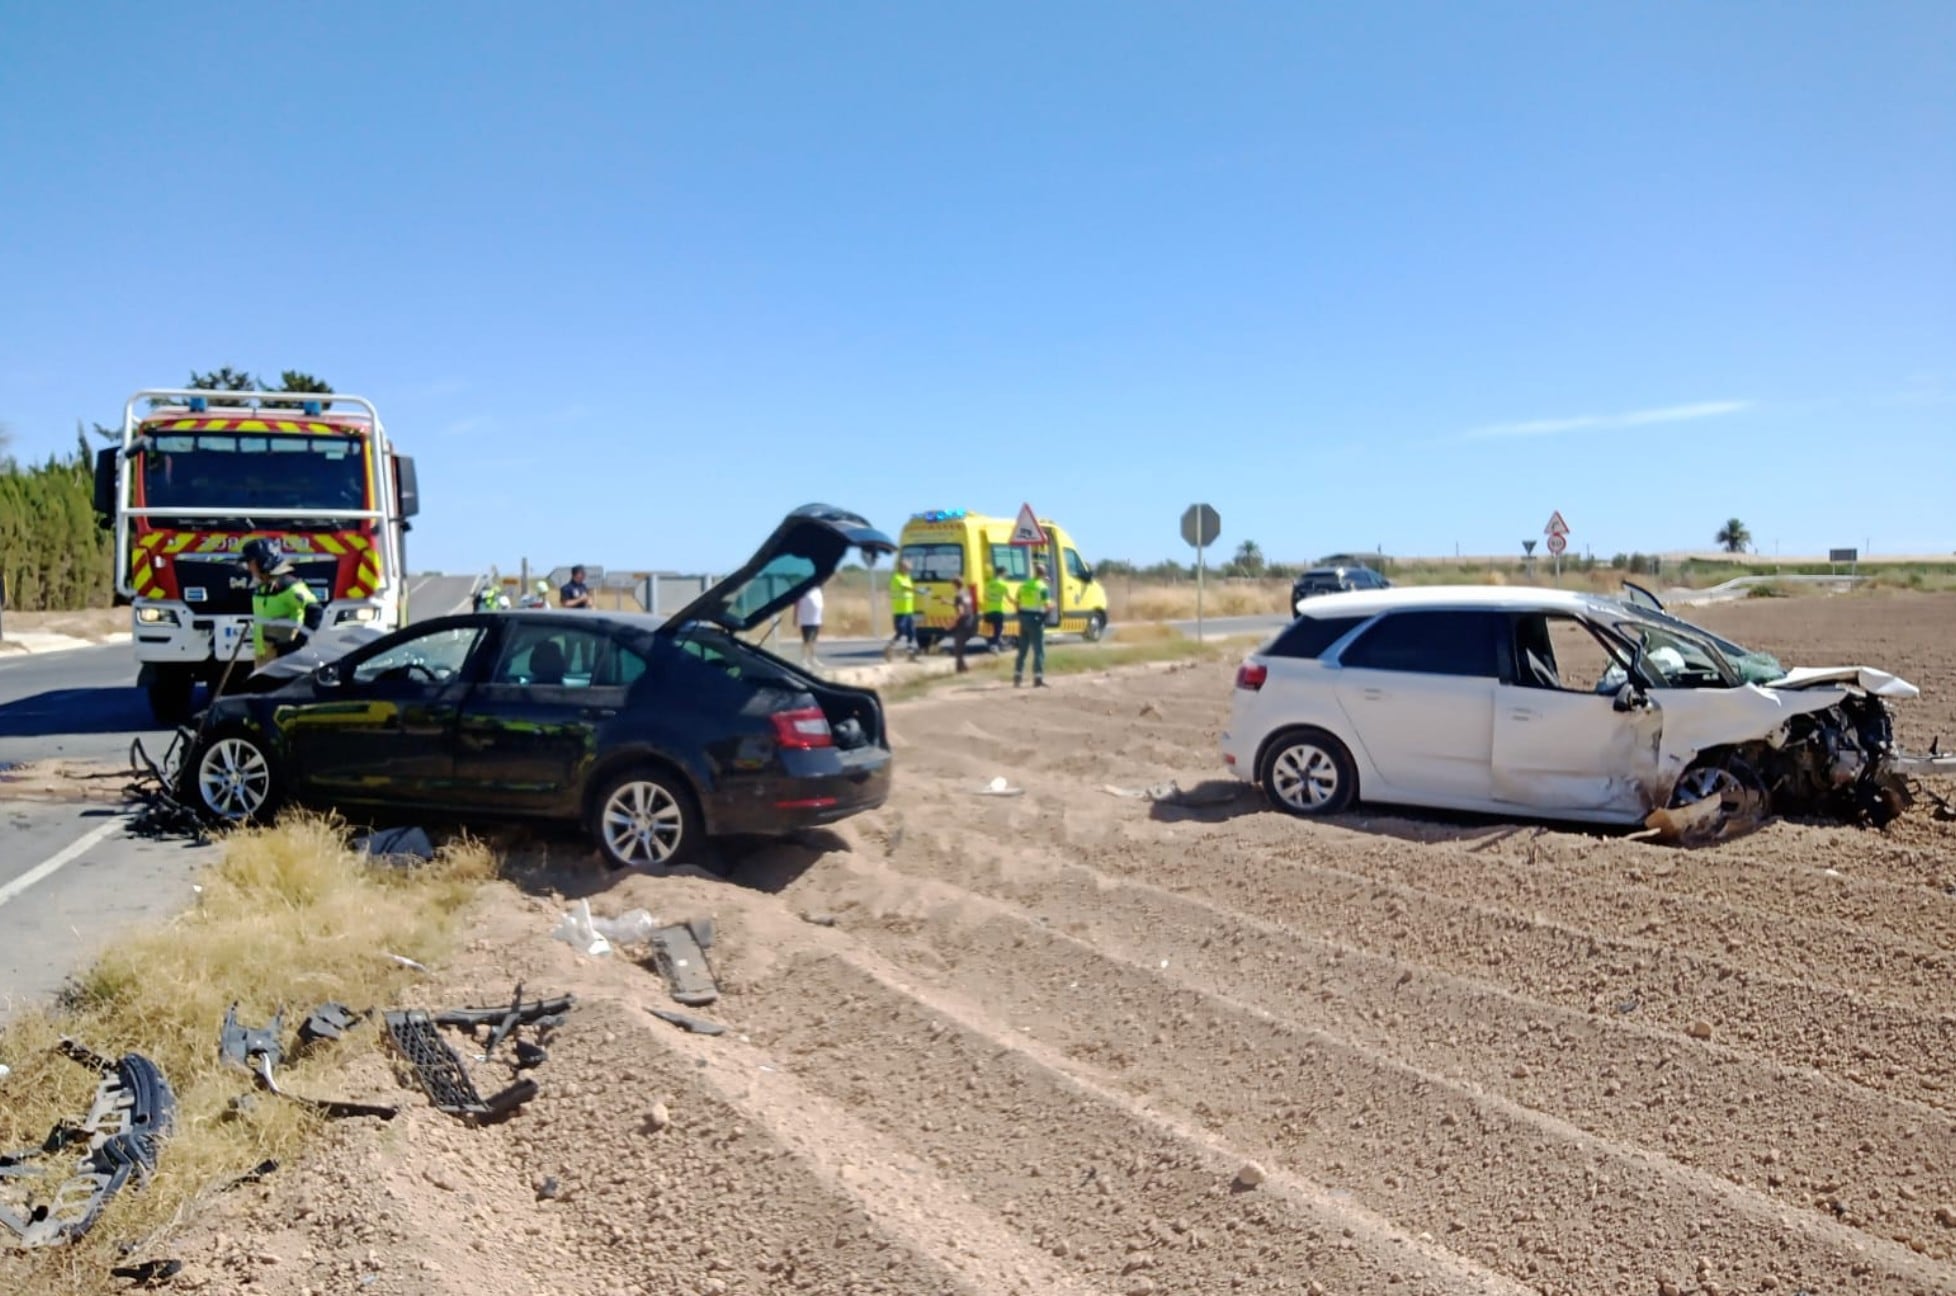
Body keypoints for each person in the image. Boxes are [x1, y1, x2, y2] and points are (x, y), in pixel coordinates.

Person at [240, 537, 322, 669]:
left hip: (284, 659)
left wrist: (296, 645)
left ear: (263, 562)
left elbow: (315, 610)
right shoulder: (263, 587)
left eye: (250, 562)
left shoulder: (288, 585)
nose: (248, 567)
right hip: (265, 656)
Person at [1013, 561, 1053, 688]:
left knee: (1022, 651)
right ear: (1044, 574)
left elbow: (1017, 603)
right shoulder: (1042, 587)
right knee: (1039, 651)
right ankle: (1038, 678)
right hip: (1035, 621)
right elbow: (1047, 606)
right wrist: (1052, 605)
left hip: (1023, 619)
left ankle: (1017, 677)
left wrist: (1020, 615)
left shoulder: (1024, 585)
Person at [882, 557, 918, 661]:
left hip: (908, 610)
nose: (908, 571)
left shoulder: (907, 577)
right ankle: (889, 647)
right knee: (901, 631)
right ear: (901, 568)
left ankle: (910, 653)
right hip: (900, 610)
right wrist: (919, 590)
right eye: (907, 569)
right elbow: (906, 588)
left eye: (909, 569)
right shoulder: (896, 578)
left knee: (911, 632)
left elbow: (909, 590)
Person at [982, 564, 1012, 652]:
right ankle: (994, 645)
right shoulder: (1003, 584)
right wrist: (1017, 603)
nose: (1007, 575)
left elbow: (985, 596)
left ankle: (992, 643)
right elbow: (1009, 598)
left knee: (993, 627)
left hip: (988, 611)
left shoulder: (989, 584)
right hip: (998, 611)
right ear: (1002, 573)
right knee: (999, 628)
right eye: (1006, 573)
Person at [795, 584, 824, 668]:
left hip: (816, 620)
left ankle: (813, 658)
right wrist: (796, 618)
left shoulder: (818, 590)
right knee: (806, 641)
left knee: (813, 641)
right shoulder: (804, 590)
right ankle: (803, 660)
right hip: (806, 620)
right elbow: (797, 604)